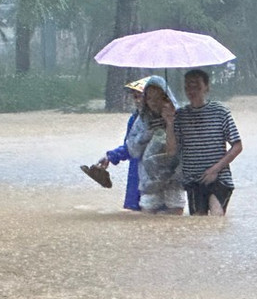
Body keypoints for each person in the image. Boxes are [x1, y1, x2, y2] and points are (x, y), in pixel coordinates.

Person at [175, 68, 243, 216]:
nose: (191, 90)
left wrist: (215, 169)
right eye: (187, 86)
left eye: (196, 86)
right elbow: (173, 148)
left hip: (219, 177)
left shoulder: (220, 112)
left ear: (206, 87)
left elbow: (237, 146)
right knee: (198, 222)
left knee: (216, 215)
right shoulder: (180, 116)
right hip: (193, 179)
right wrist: (168, 121)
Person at [126, 75, 184, 214]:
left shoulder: (179, 116)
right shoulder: (141, 120)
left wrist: (170, 122)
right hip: (149, 180)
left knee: (174, 221)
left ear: (166, 97)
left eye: (158, 98)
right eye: (149, 98)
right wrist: (148, 134)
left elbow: (186, 146)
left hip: (174, 179)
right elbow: (132, 150)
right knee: (148, 221)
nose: (153, 102)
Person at [92, 77, 148, 211]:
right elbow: (130, 146)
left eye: (141, 96)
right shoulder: (134, 119)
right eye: (135, 97)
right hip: (136, 172)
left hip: (156, 174)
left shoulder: (162, 119)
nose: (138, 100)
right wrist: (110, 157)